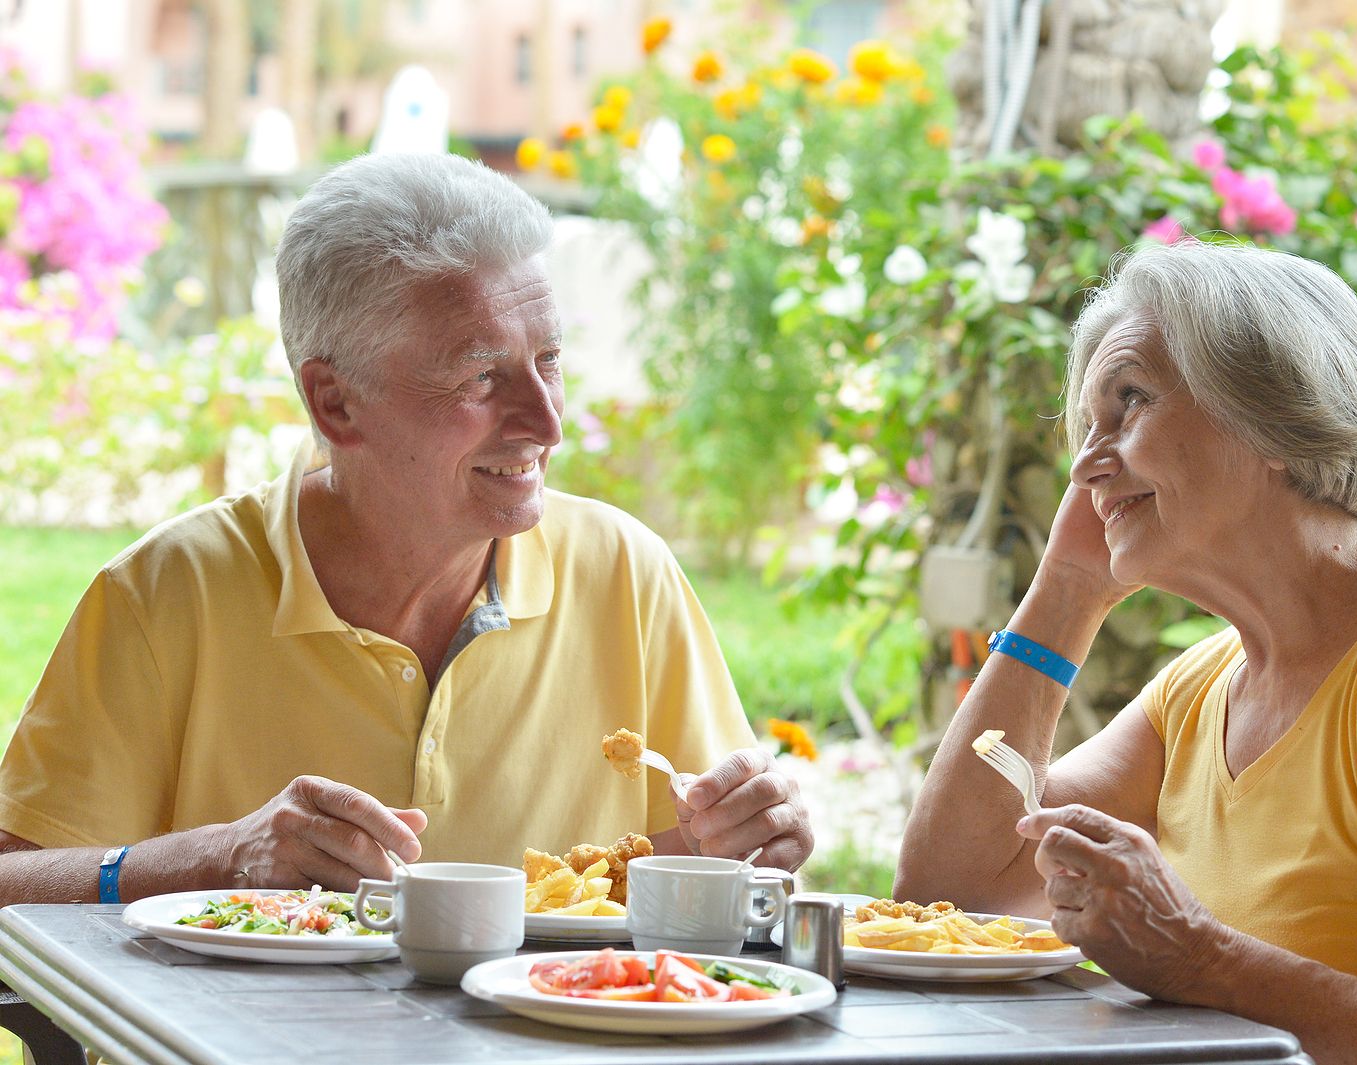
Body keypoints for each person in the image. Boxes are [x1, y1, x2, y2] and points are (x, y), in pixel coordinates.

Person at [0, 153, 812, 906]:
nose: (547, 421)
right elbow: (11, 880)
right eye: (482, 374)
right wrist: (215, 859)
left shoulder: (626, 572)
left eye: (550, 360)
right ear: (335, 403)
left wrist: (751, 841)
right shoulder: (164, 594)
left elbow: (697, 874)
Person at [899, 240, 1357, 1064]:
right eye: (1089, 425)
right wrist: (1067, 588)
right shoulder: (1204, 688)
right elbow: (956, 889)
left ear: (1274, 408)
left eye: (1131, 402)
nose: (1087, 464)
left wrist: (1203, 959)